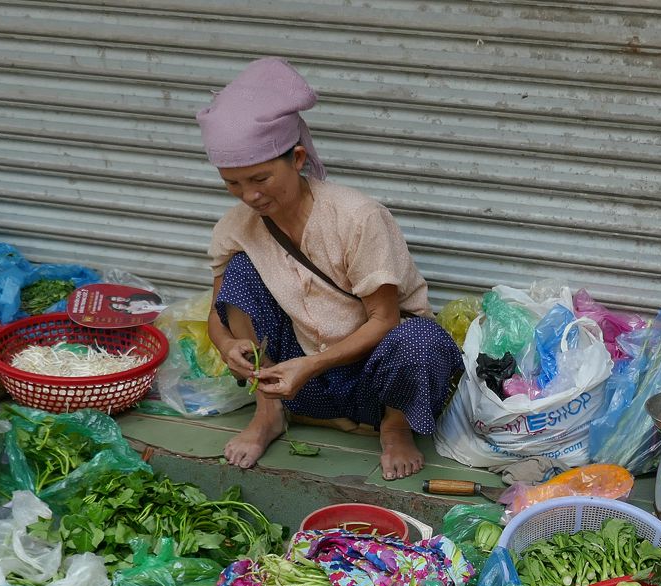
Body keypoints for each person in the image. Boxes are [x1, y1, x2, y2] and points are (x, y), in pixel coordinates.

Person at [197, 58, 463, 478]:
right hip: (300, 382)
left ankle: (395, 427)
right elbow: (218, 314)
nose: (249, 195)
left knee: (421, 340)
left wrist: (310, 366)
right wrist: (228, 345)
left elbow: (384, 319)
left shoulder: (357, 217)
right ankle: (268, 413)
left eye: (260, 179)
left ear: (297, 158)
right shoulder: (235, 227)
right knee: (241, 271)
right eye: (233, 183)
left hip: (372, 380)